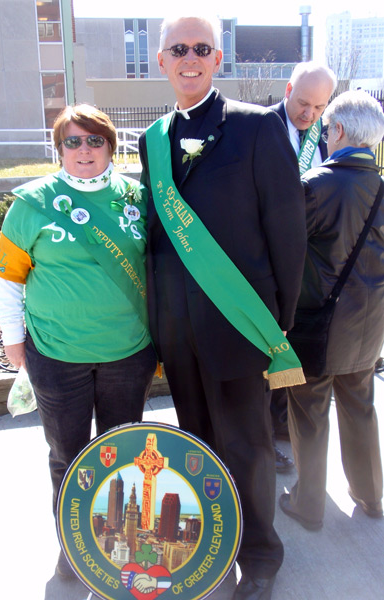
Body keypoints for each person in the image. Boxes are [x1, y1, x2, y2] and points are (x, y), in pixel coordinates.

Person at [139, 15, 307, 600]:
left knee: (249, 448)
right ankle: (212, 546)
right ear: (161, 60)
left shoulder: (259, 127)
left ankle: (260, 557)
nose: (190, 58)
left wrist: (277, 324)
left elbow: (288, 233)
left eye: (201, 48)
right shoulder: (153, 139)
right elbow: (158, 239)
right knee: (198, 446)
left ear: (217, 59)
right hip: (178, 332)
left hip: (241, 326)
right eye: (178, 48)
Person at [0, 104, 157, 578]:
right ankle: (74, 542)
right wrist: (13, 339)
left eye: (95, 140)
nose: (84, 150)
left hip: (128, 354)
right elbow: (7, 279)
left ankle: (119, 540)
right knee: (68, 455)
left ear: (111, 146)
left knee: (121, 453)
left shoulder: (137, 198)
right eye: (72, 141)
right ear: (58, 148)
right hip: (57, 356)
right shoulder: (32, 202)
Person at [279, 90, 384, 531]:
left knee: (308, 413)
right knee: (360, 407)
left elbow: (283, 252)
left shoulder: (314, 186)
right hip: (370, 325)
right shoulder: (380, 187)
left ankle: (308, 504)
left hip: (317, 323)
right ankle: (371, 496)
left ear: (337, 130)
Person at [269, 62, 337, 462]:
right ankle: (264, 433)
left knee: (293, 351)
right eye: (303, 102)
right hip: (268, 264)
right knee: (269, 349)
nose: (309, 114)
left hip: (308, 266)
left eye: (319, 107)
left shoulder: (324, 138)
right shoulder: (262, 127)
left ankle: (282, 423)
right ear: (289, 88)